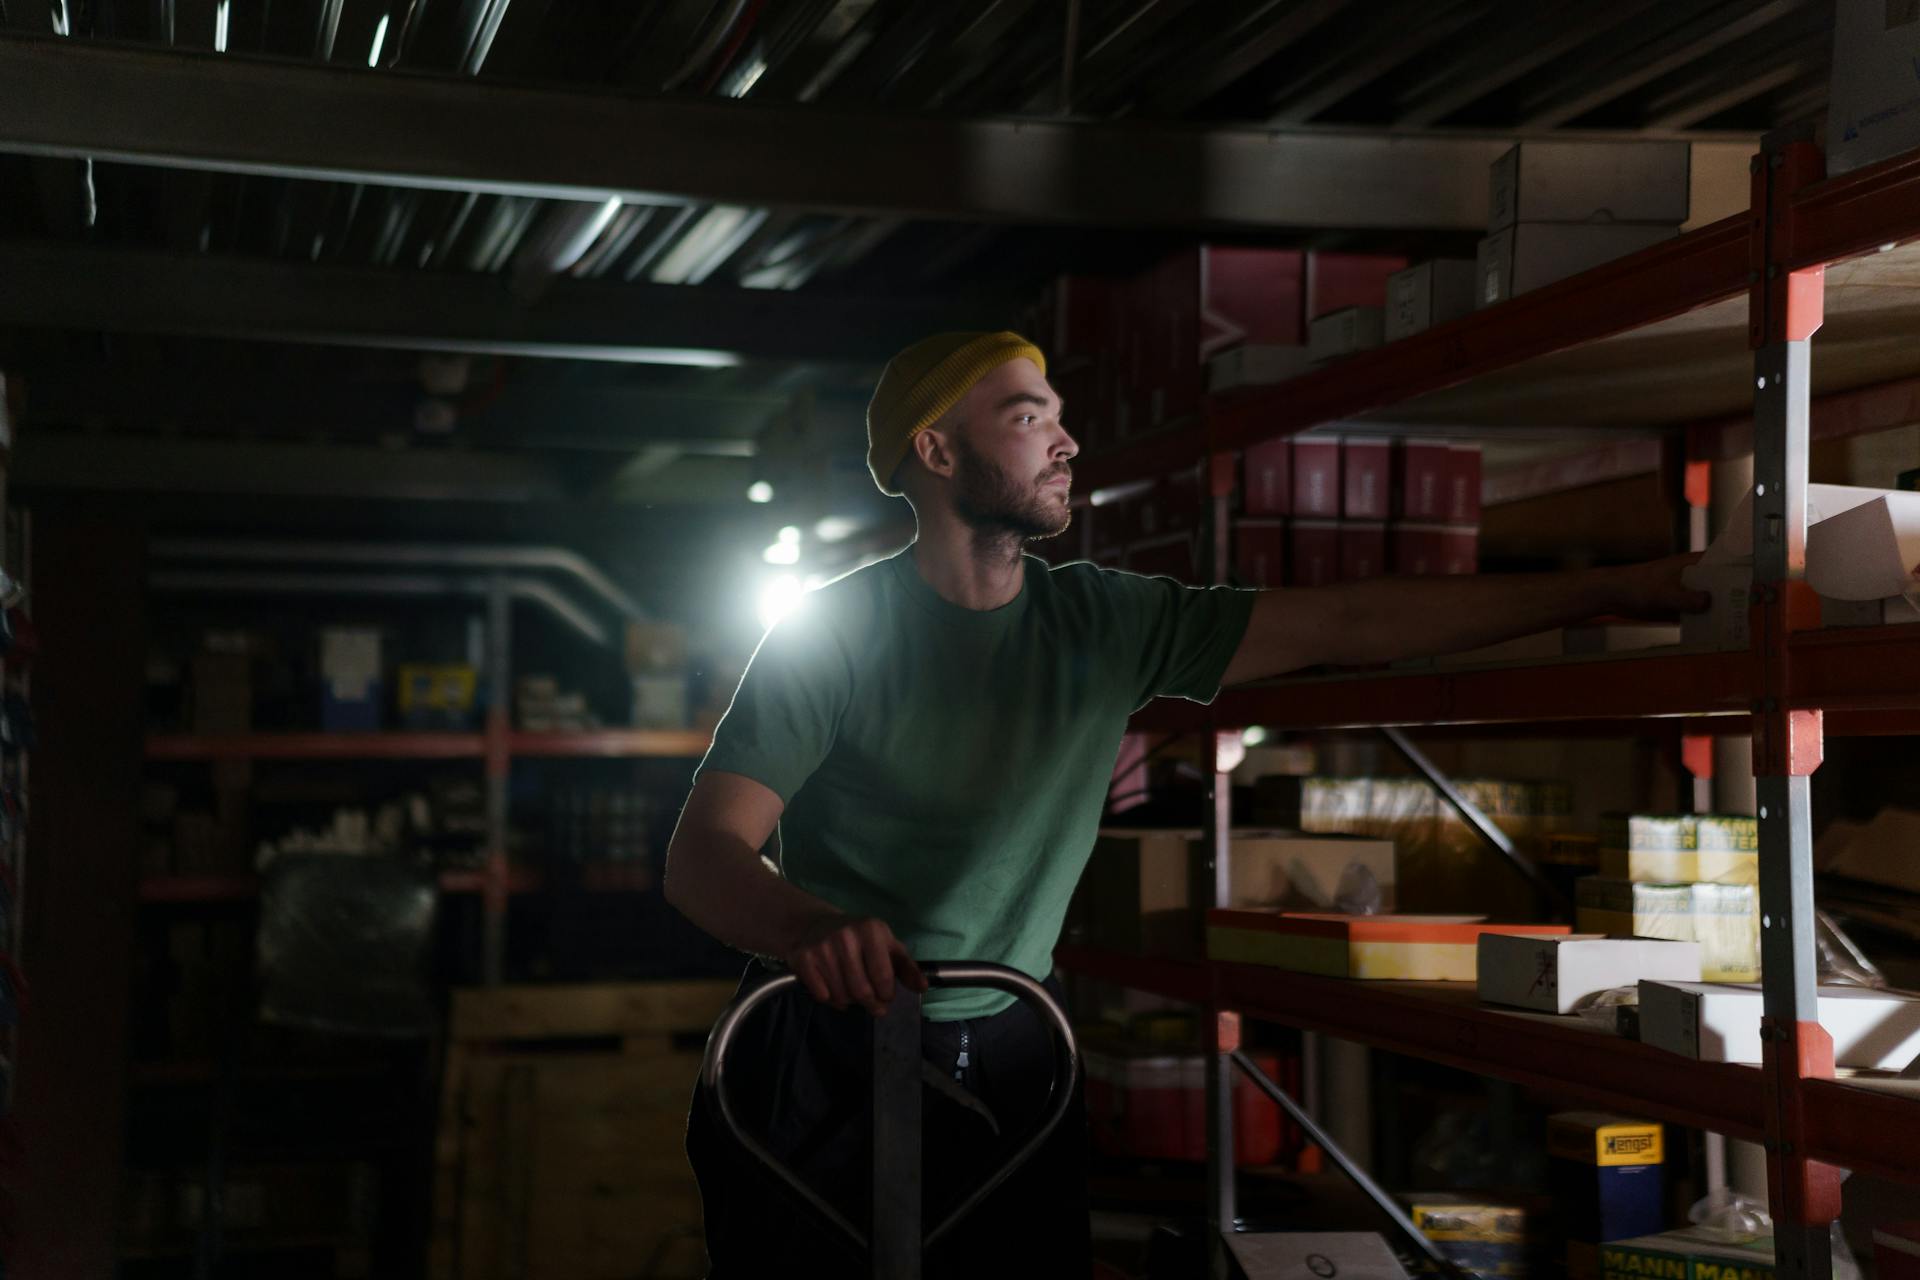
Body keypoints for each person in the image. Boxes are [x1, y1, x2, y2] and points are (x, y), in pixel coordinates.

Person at [665, 331, 1705, 1278]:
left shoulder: (1101, 622)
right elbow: (705, 851)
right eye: (1028, 417)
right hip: (820, 1045)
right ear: (934, 453)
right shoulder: (833, 634)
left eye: (1059, 413)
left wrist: (1607, 589)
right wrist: (811, 924)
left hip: (1017, 1044)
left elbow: (1349, 615)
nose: (1066, 441)